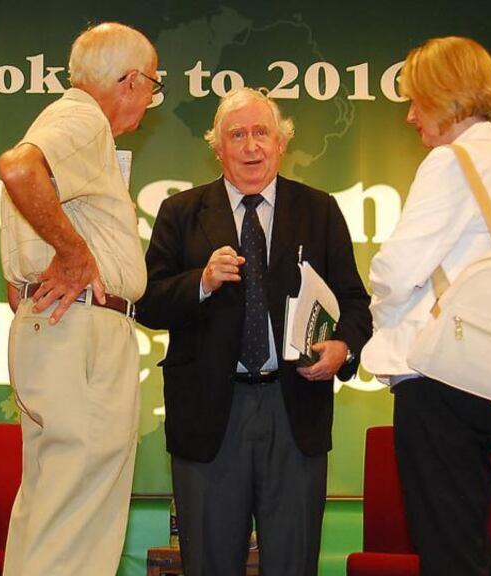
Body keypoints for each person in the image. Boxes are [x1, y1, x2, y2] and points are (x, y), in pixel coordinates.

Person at [136, 87, 372, 576]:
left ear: (281, 143)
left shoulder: (319, 209)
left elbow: (355, 303)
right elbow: (148, 303)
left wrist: (343, 348)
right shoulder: (180, 213)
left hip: (295, 413)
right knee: (210, 563)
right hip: (208, 418)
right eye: (236, 135)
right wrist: (200, 282)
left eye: (261, 132)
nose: (250, 146)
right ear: (217, 147)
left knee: (292, 563)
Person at [0, 22, 159, 576]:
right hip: (81, 328)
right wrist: (74, 255)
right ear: (130, 80)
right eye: (153, 86)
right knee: (79, 515)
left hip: (58, 327)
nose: (150, 100)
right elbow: (18, 168)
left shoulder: (70, 121)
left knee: (52, 507)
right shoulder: (83, 117)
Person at [360, 37, 491, 576]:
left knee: (447, 550)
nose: (410, 116)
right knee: (463, 540)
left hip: (440, 378)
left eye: (417, 100)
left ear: (446, 95)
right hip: (483, 380)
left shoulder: (450, 161)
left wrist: (381, 313)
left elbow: (397, 268)